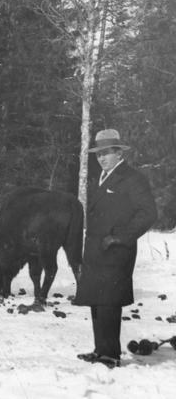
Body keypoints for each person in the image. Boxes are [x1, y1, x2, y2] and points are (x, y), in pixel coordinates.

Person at [74, 128, 157, 368]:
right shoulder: (100, 177)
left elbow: (148, 213)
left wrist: (121, 237)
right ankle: (100, 351)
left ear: (119, 153)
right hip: (95, 250)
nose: (102, 158)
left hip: (116, 251)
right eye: (99, 154)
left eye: (107, 153)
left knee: (109, 302)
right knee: (96, 301)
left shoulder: (132, 178)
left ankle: (111, 355)